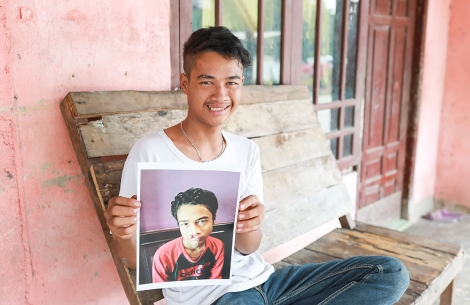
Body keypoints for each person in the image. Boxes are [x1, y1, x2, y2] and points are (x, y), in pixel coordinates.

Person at [104, 26, 410, 305]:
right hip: (215, 298)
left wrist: (250, 224)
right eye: (207, 81)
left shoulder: (246, 151)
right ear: (185, 84)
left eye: (231, 83)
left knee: (389, 273)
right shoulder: (151, 152)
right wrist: (124, 233)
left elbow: (249, 248)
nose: (220, 95)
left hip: (270, 283)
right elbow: (133, 260)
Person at [152, 187, 224, 282]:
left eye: (202, 221)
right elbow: (159, 290)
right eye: (185, 223)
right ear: (179, 225)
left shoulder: (218, 246)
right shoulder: (163, 255)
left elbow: (215, 282)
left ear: (214, 220)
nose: (194, 231)